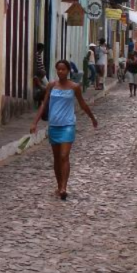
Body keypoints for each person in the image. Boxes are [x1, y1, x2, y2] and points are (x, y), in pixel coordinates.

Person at [30, 60, 99, 200]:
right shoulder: (51, 85)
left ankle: (64, 188)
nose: (61, 72)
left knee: (64, 156)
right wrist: (35, 122)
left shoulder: (74, 87)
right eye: (58, 69)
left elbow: (82, 104)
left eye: (63, 69)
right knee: (56, 158)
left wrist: (92, 118)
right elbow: (44, 105)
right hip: (54, 125)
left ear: (68, 71)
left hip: (68, 125)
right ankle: (59, 184)